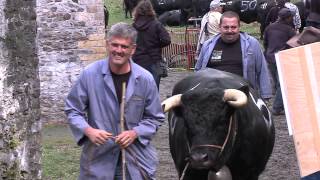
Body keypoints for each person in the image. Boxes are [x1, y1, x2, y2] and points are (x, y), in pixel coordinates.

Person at [65, 22, 165, 180]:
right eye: (115, 45)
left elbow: (155, 117)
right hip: (98, 161)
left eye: (124, 47)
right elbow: (72, 110)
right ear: (107, 44)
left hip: (136, 160)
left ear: (133, 49)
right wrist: (89, 131)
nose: (118, 50)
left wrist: (135, 133)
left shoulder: (145, 79)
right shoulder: (89, 75)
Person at [195, 11, 272, 100]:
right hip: (213, 97)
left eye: (233, 27)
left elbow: (262, 70)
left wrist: (265, 95)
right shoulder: (208, 45)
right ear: (220, 27)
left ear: (239, 27)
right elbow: (198, 70)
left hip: (243, 96)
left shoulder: (252, 44)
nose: (230, 31)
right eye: (226, 27)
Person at [132, 0, 171, 89]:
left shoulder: (134, 26)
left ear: (138, 10)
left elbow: (130, 42)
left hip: (137, 61)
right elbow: (167, 40)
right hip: (154, 60)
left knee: (139, 90)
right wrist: (156, 45)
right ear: (151, 10)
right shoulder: (156, 24)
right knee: (153, 91)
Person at [264, 8, 296, 116]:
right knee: (282, 84)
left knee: (277, 83)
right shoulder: (289, 30)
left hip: (269, 57)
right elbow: (294, 45)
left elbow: (265, 42)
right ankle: (277, 107)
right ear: (288, 18)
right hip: (282, 58)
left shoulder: (269, 27)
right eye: (291, 17)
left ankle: (281, 104)